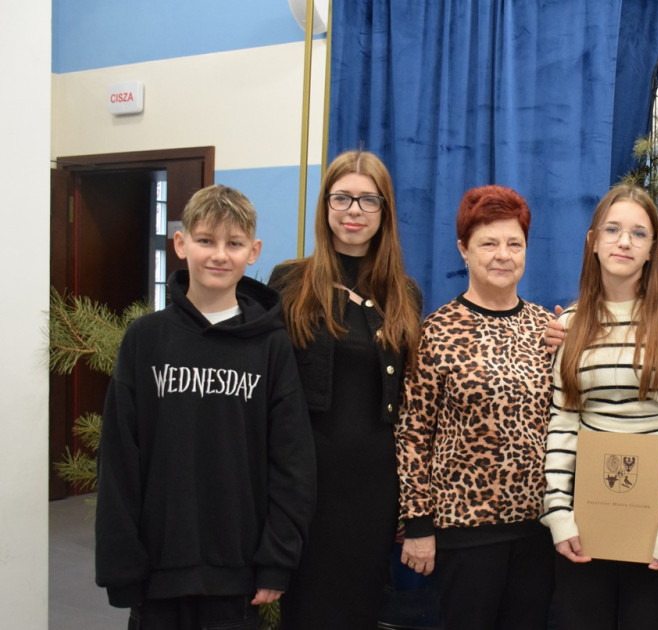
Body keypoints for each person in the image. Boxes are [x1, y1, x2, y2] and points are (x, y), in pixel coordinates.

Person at [95, 185, 316, 629]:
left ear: (253, 252)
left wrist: (277, 559)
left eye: (234, 243)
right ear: (181, 244)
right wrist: (121, 565)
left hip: (238, 573)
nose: (219, 255)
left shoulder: (271, 346)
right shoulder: (145, 339)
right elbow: (118, 457)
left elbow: (291, 459)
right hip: (157, 570)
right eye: (205, 240)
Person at [269, 150, 424, 630]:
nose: (354, 211)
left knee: (360, 608)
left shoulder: (405, 294)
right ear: (326, 206)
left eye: (368, 200)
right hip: (307, 481)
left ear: (384, 211)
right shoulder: (289, 282)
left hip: (374, 486)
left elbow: (416, 394)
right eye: (342, 198)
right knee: (306, 611)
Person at [541, 184, 658, 630]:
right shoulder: (571, 325)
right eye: (612, 230)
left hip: (654, 528)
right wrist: (558, 515)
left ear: (652, 249)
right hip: (584, 524)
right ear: (593, 242)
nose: (624, 242)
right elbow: (562, 425)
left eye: (638, 233)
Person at [395, 185, 556, 629]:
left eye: (514, 244)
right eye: (489, 243)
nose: (503, 255)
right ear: (464, 249)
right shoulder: (436, 331)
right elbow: (412, 434)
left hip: (540, 531)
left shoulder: (547, 328)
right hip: (464, 532)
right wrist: (417, 524)